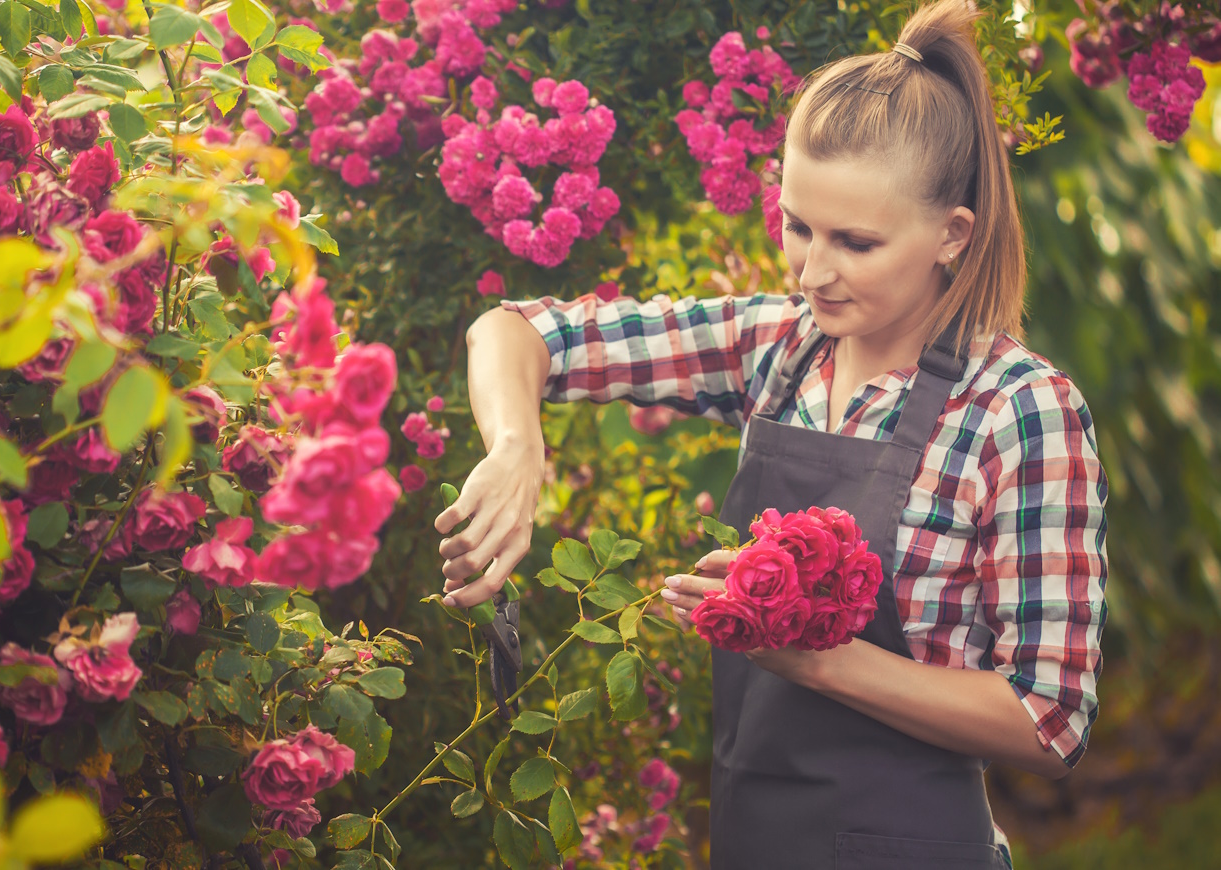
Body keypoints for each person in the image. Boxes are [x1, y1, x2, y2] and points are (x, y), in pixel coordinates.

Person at [433, 1, 1108, 867]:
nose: (812, 272)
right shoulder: (779, 349)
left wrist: (819, 661)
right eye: (797, 226)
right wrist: (516, 452)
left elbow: (1048, 722)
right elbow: (517, 331)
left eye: (856, 242)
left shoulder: (1019, 411)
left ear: (953, 234)